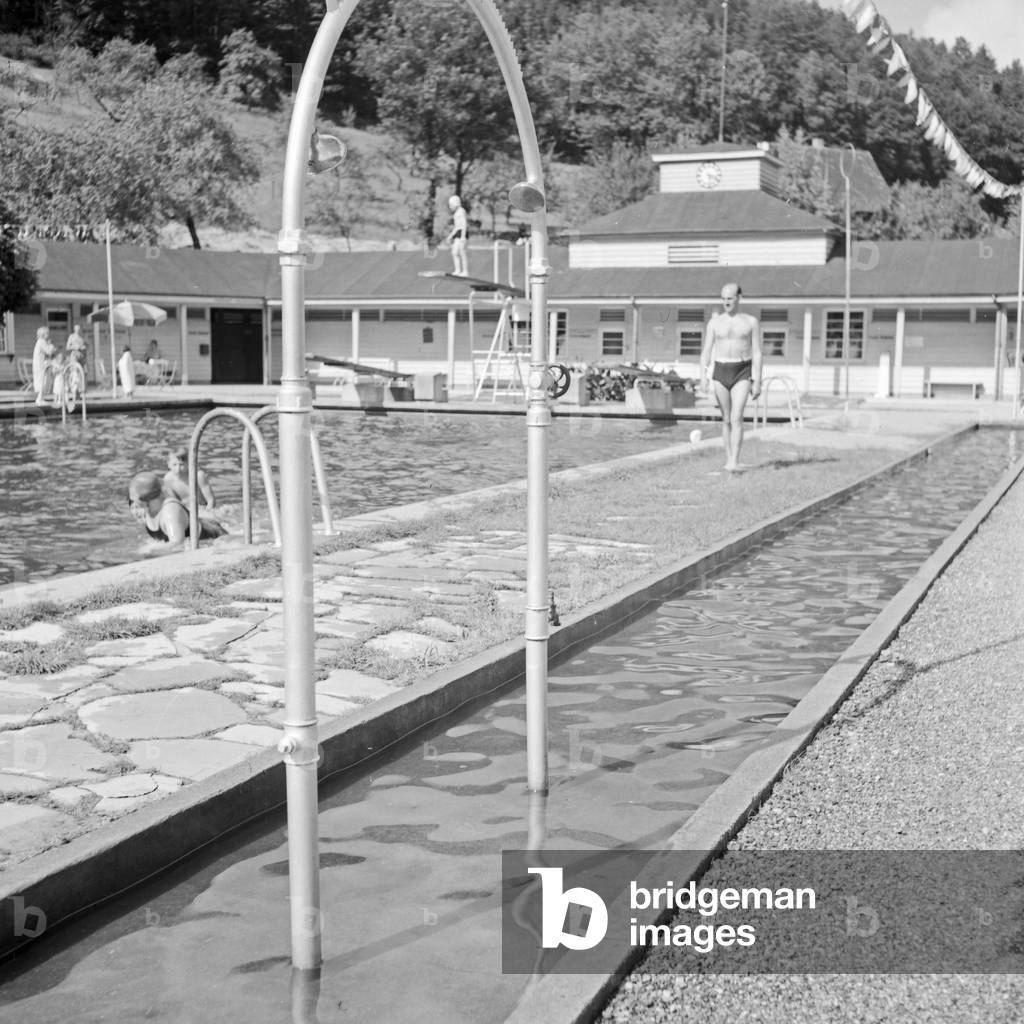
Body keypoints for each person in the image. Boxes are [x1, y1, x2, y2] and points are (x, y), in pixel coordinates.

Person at [699, 282, 762, 472]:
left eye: (730, 299)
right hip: (721, 370)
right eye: (723, 299)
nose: (726, 302)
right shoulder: (714, 323)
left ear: (739, 298)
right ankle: (728, 459)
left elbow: (757, 352)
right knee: (726, 418)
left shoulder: (750, 322)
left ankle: (735, 461)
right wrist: (703, 375)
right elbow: (706, 350)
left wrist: (758, 380)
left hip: (742, 369)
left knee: (736, 417)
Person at [127, 471, 226, 546]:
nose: (134, 507)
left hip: (216, 538)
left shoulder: (170, 512)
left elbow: (177, 545)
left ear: (146, 500)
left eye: (135, 501)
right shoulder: (146, 511)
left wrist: (148, 551)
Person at [31, 326, 56, 406]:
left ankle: (41, 398)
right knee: (42, 381)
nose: (48, 335)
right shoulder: (41, 341)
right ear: (43, 334)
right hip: (41, 365)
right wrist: (51, 345)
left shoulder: (40, 342)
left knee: (42, 381)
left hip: (40, 364)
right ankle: (39, 399)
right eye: (47, 333)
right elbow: (49, 351)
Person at [446, 194, 468, 277]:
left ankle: (465, 271)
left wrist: (463, 236)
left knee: (462, 252)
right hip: (458, 234)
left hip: (462, 234)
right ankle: (458, 270)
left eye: (451, 205)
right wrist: (450, 236)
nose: (450, 207)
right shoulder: (456, 213)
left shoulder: (461, 211)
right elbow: (456, 227)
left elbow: (464, 224)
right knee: (454, 252)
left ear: (455, 204)